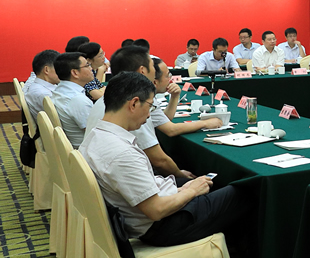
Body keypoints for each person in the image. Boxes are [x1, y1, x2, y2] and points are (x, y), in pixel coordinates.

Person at [80, 72, 248, 246]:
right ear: (134, 103)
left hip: (147, 215)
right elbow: (156, 210)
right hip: (162, 227)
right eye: (150, 106)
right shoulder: (122, 153)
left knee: (209, 185)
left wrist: (181, 190)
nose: (149, 115)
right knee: (246, 191)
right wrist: (191, 191)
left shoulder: (94, 136)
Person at [85, 46, 207, 179]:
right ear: (142, 70)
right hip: (122, 178)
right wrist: (181, 176)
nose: (155, 71)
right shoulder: (135, 108)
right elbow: (160, 161)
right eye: (153, 66)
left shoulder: (109, 97)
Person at [149, 58, 225, 138]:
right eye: (167, 76)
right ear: (155, 82)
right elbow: (171, 130)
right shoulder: (146, 99)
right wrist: (205, 123)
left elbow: (165, 119)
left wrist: (175, 96)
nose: (170, 79)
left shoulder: (149, 95)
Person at [50, 52, 94, 148]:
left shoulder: (59, 91)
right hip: (85, 151)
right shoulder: (77, 100)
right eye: (87, 65)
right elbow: (96, 133)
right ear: (75, 73)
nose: (91, 68)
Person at [24, 49, 60, 123]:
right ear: (46, 70)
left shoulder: (39, 87)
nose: (63, 71)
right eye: (60, 68)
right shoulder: (44, 94)